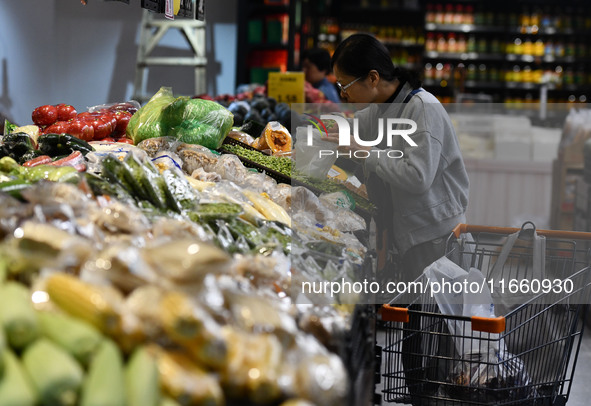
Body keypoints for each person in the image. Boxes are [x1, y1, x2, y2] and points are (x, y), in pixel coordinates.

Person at [328, 33, 470, 402]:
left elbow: (417, 176)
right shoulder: (381, 110)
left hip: (435, 237)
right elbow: (365, 150)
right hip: (410, 236)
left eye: (346, 86)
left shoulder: (423, 109)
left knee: (435, 341)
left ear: (373, 78)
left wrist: (361, 151)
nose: (343, 95)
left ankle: (436, 398)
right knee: (418, 337)